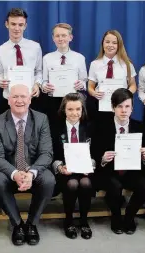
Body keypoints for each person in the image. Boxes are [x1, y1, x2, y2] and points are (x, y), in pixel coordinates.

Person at [0, 84, 55, 246]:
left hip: (33, 169)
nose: (19, 100)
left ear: (30, 99)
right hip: (9, 171)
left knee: (49, 180)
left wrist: (31, 173)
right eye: (15, 97)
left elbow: (47, 154)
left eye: (23, 97)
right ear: (8, 100)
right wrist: (15, 173)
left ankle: (31, 224)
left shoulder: (41, 119)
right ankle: (18, 224)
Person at [92, 88, 145, 235]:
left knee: (144, 186)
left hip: (131, 171)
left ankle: (129, 216)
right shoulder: (102, 127)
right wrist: (103, 159)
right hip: (109, 171)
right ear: (113, 108)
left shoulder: (140, 127)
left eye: (127, 106)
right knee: (114, 186)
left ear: (132, 108)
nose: (123, 110)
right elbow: (94, 152)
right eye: (119, 106)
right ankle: (116, 217)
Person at [51, 93, 95, 239]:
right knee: (72, 184)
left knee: (85, 182)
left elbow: (96, 153)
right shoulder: (55, 128)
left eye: (78, 109)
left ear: (82, 110)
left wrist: (91, 165)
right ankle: (69, 221)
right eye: (70, 109)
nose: (74, 113)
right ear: (64, 109)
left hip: (85, 171)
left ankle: (84, 221)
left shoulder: (89, 127)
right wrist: (60, 167)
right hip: (65, 171)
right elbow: (51, 154)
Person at [0, 8, 42, 115]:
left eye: (20, 25)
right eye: (13, 24)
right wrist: (0, 81)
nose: (17, 28)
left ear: (25, 26)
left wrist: (37, 84)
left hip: (31, 98)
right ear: (7, 24)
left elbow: (39, 71)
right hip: (8, 100)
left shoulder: (35, 47)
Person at [42, 23, 87, 132]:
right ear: (53, 38)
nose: (60, 38)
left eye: (64, 35)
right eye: (57, 36)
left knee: (73, 130)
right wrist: (44, 87)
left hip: (74, 101)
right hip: (54, 102)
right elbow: (44, 80)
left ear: (70, 37)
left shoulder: (79, 58)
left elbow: (84, 80)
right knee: (56, 130)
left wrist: (81, 84)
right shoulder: (47, 58)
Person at [87, 30, 136, 122]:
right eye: (107, 42)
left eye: (114, 43)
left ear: (119, 45)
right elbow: (90, 86)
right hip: (100, 106)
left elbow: (133, 85)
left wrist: (125, 95)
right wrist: (93, 93)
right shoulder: (95, 64)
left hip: (121, 108)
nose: (110, 45)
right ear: (103, 43)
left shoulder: (127, 64)